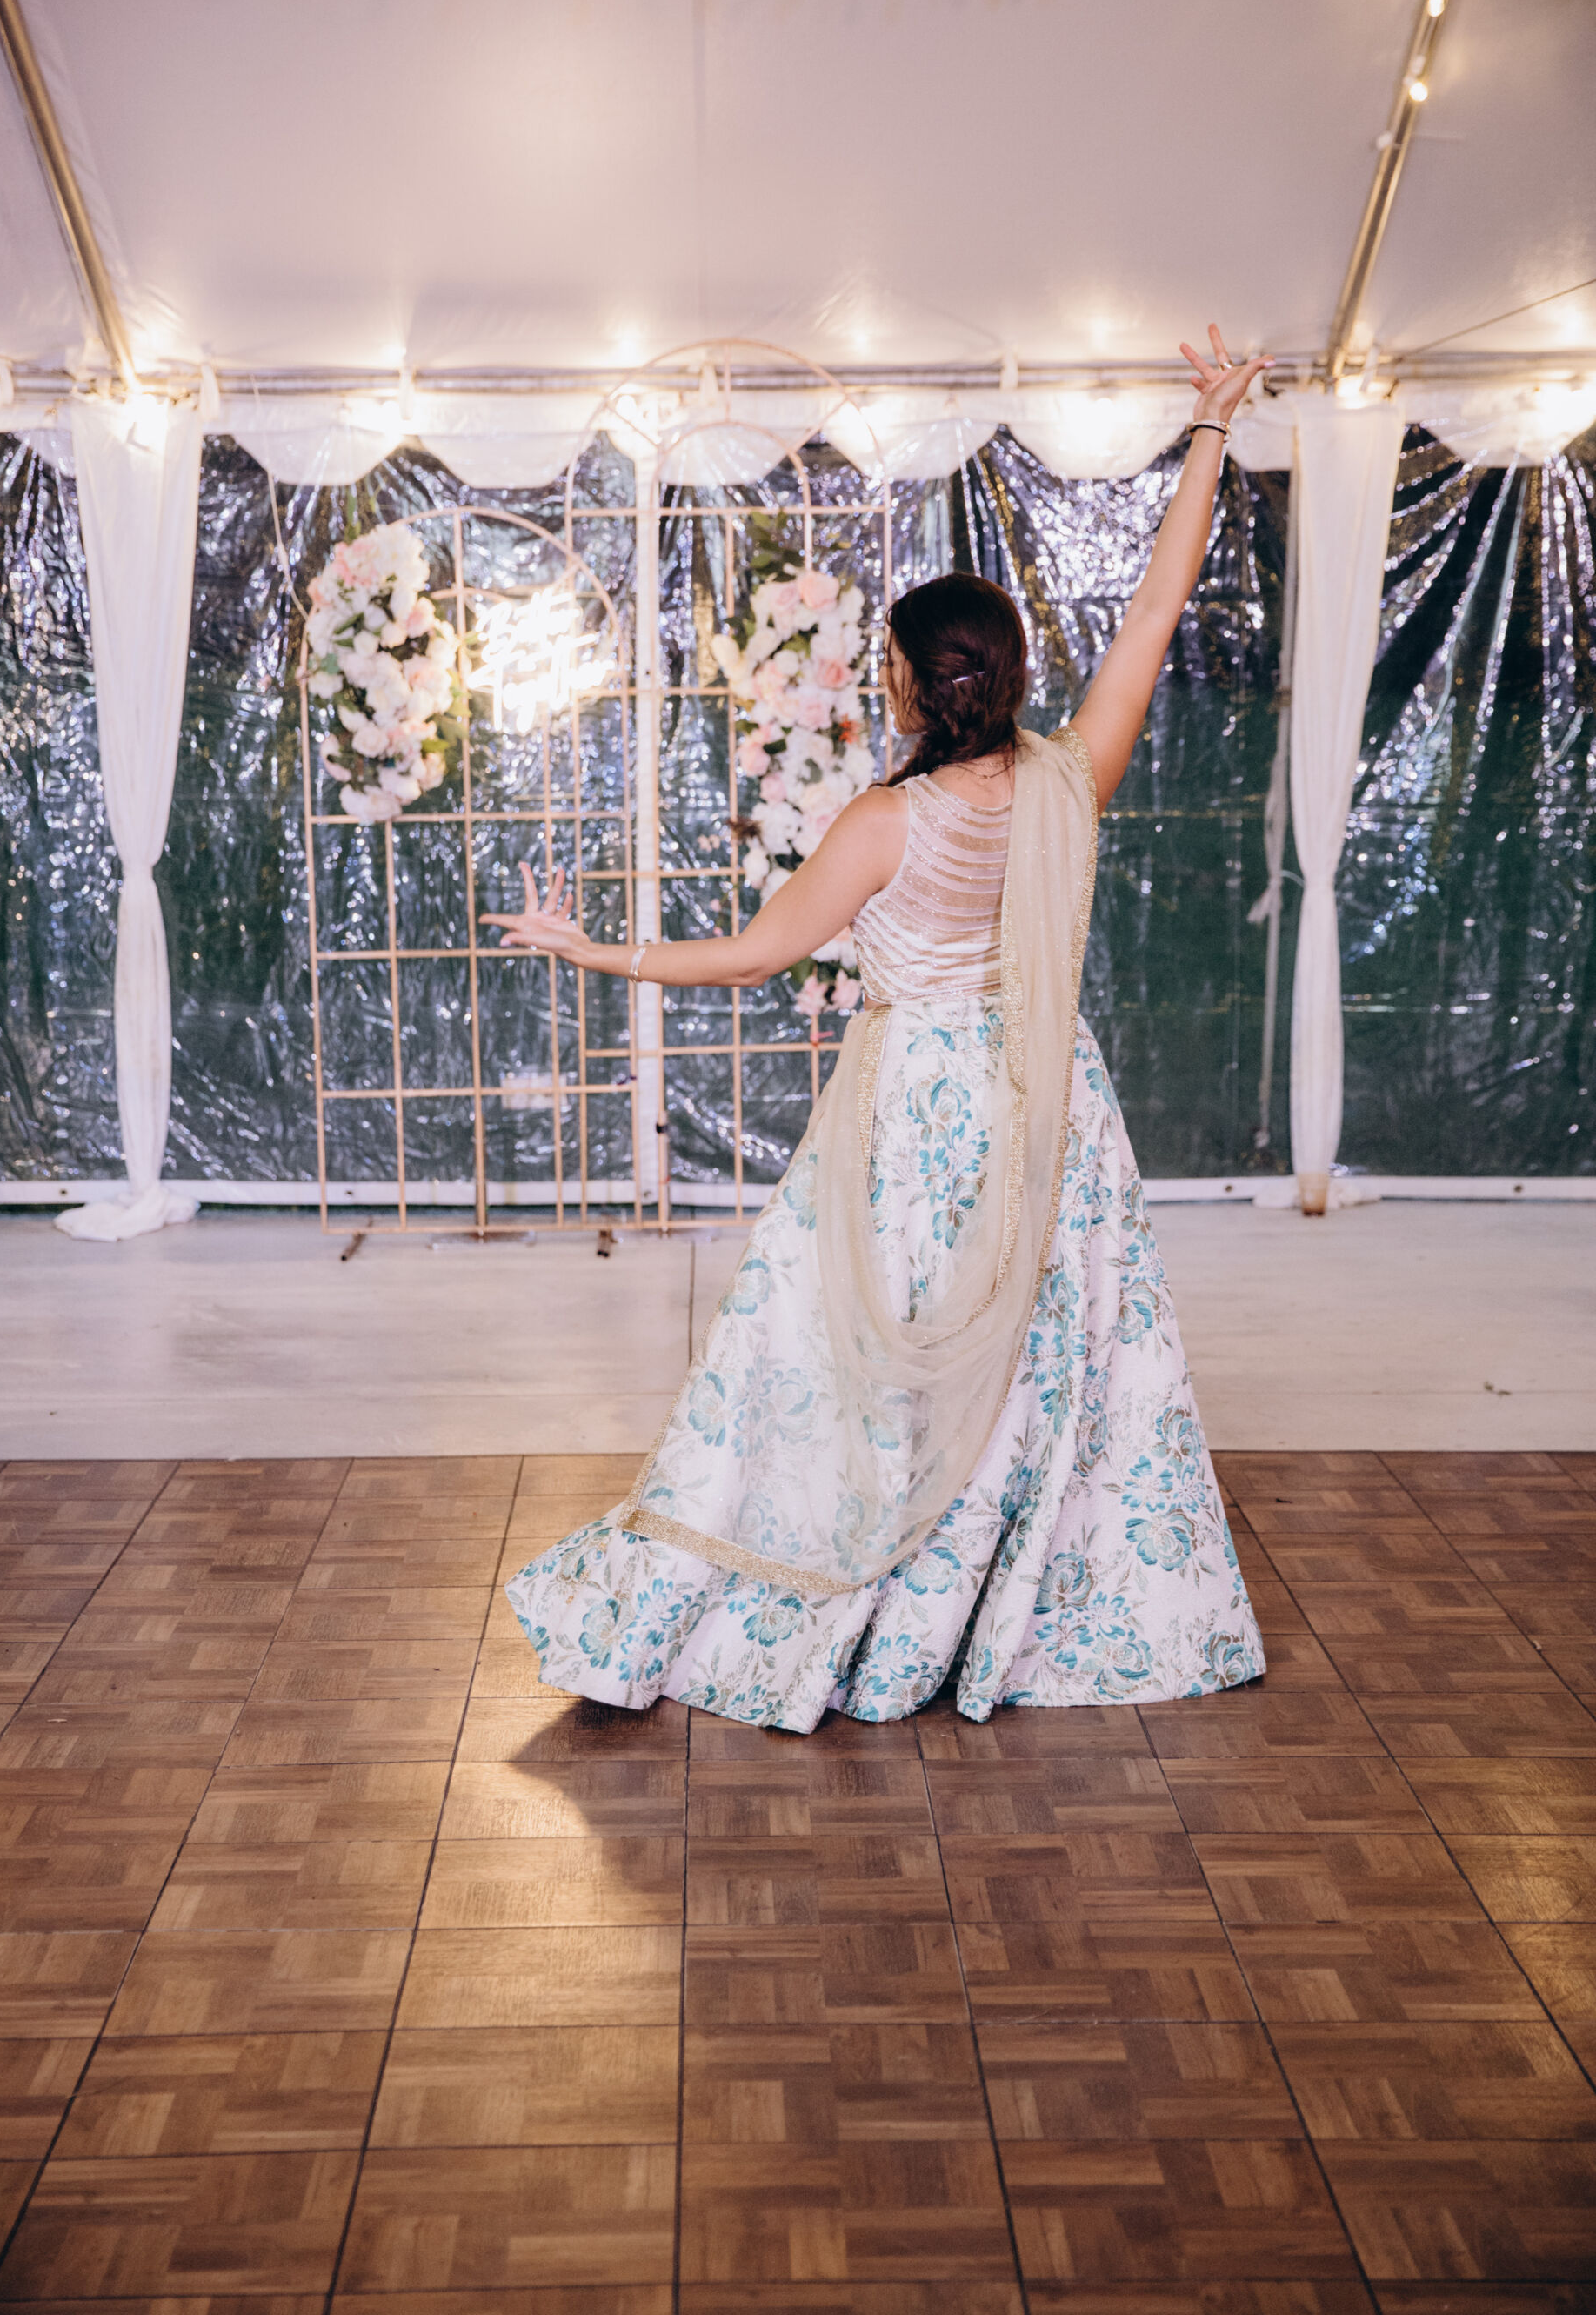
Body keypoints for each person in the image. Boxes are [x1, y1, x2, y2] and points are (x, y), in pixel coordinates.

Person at [487, 326, 1272, 1728]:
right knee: (1045, 1360)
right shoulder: (1071, 778)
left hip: (917, 1113)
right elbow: (1158, 609)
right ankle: (1004, 1608)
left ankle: (880, 1597)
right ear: (1007, 676)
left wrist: (586, 942)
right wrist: (1211, 430)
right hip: (1050, 1105)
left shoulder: (885, 823)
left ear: (909, 684)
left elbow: (749, 957)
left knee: (859, 1357)